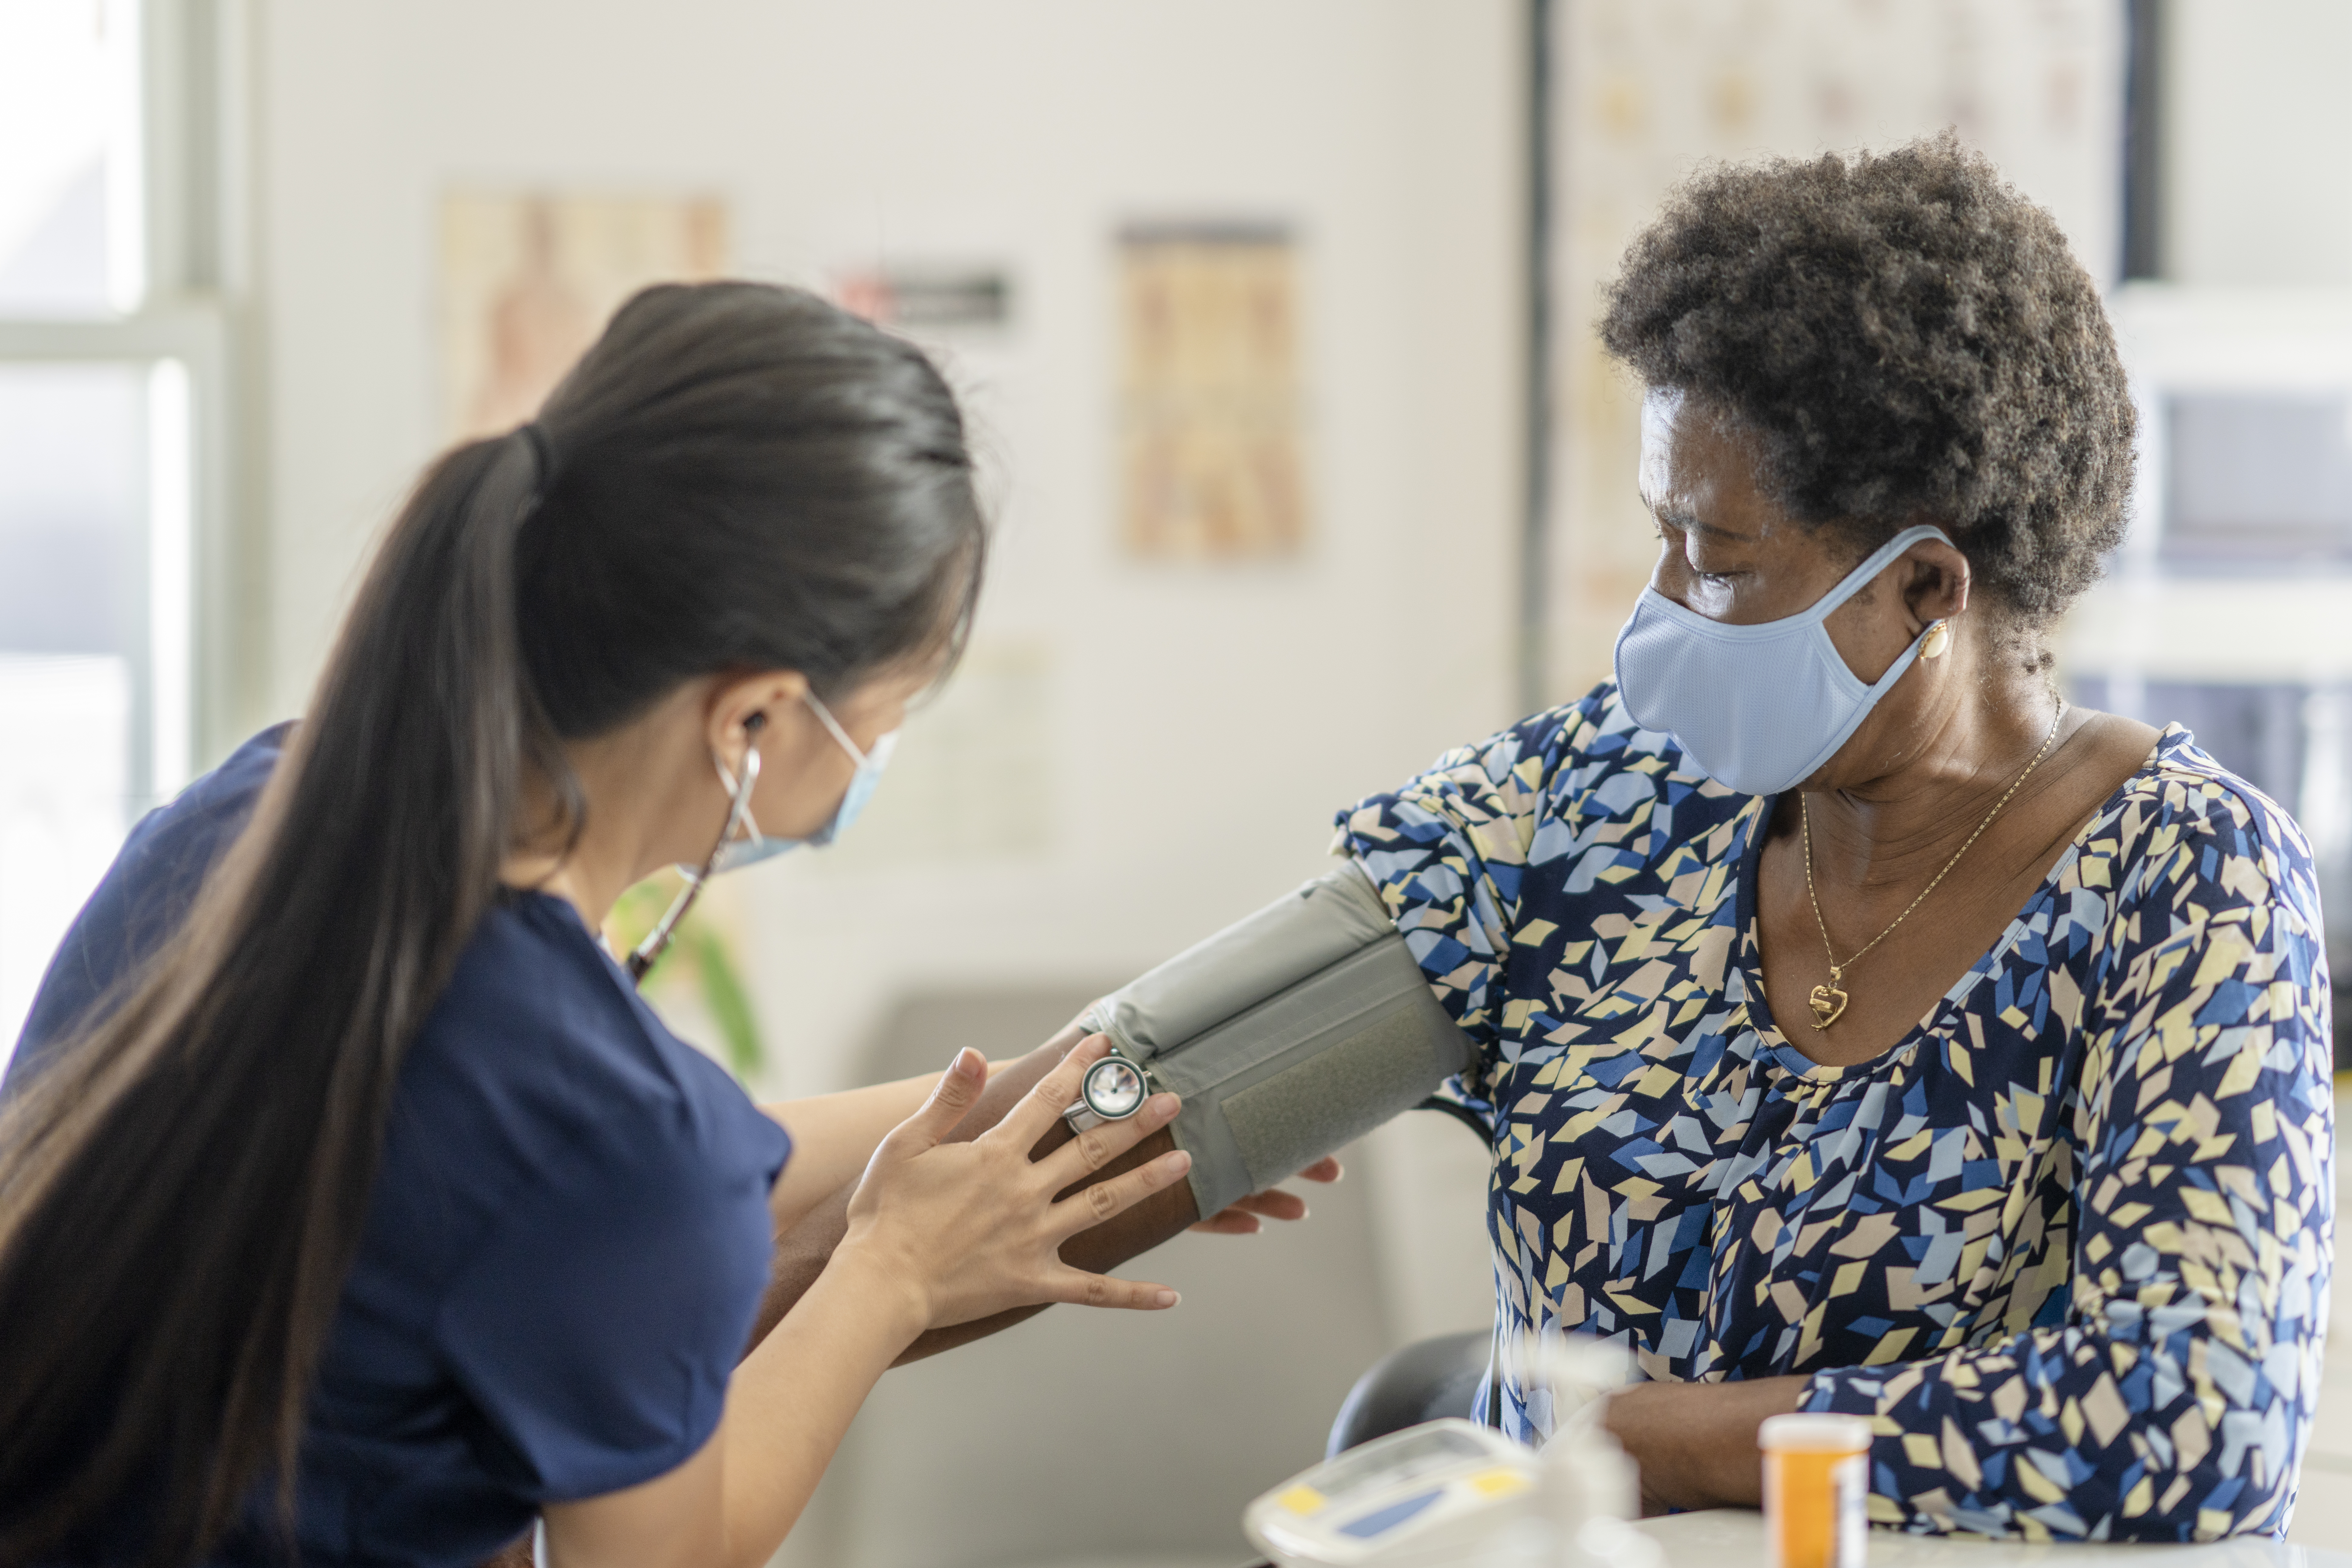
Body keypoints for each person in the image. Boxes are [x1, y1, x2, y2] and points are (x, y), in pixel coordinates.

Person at [0, 282, 1217, 1568]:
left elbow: (564, 1169)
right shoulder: (615, 1133)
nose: (883, 753)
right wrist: (892, 1272)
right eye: (894, 710)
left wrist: (1035, 1097)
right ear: (751, 721)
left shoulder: (256, 812)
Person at [1332, 136, 2331, 1541]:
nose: (1662, 608)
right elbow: (1189, 1066)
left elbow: (2193, 1418)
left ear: (1925, 583)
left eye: (1720, 560)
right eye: (1662, 537)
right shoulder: (1599, 798)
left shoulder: (2187, 879)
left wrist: (1670, 1446)